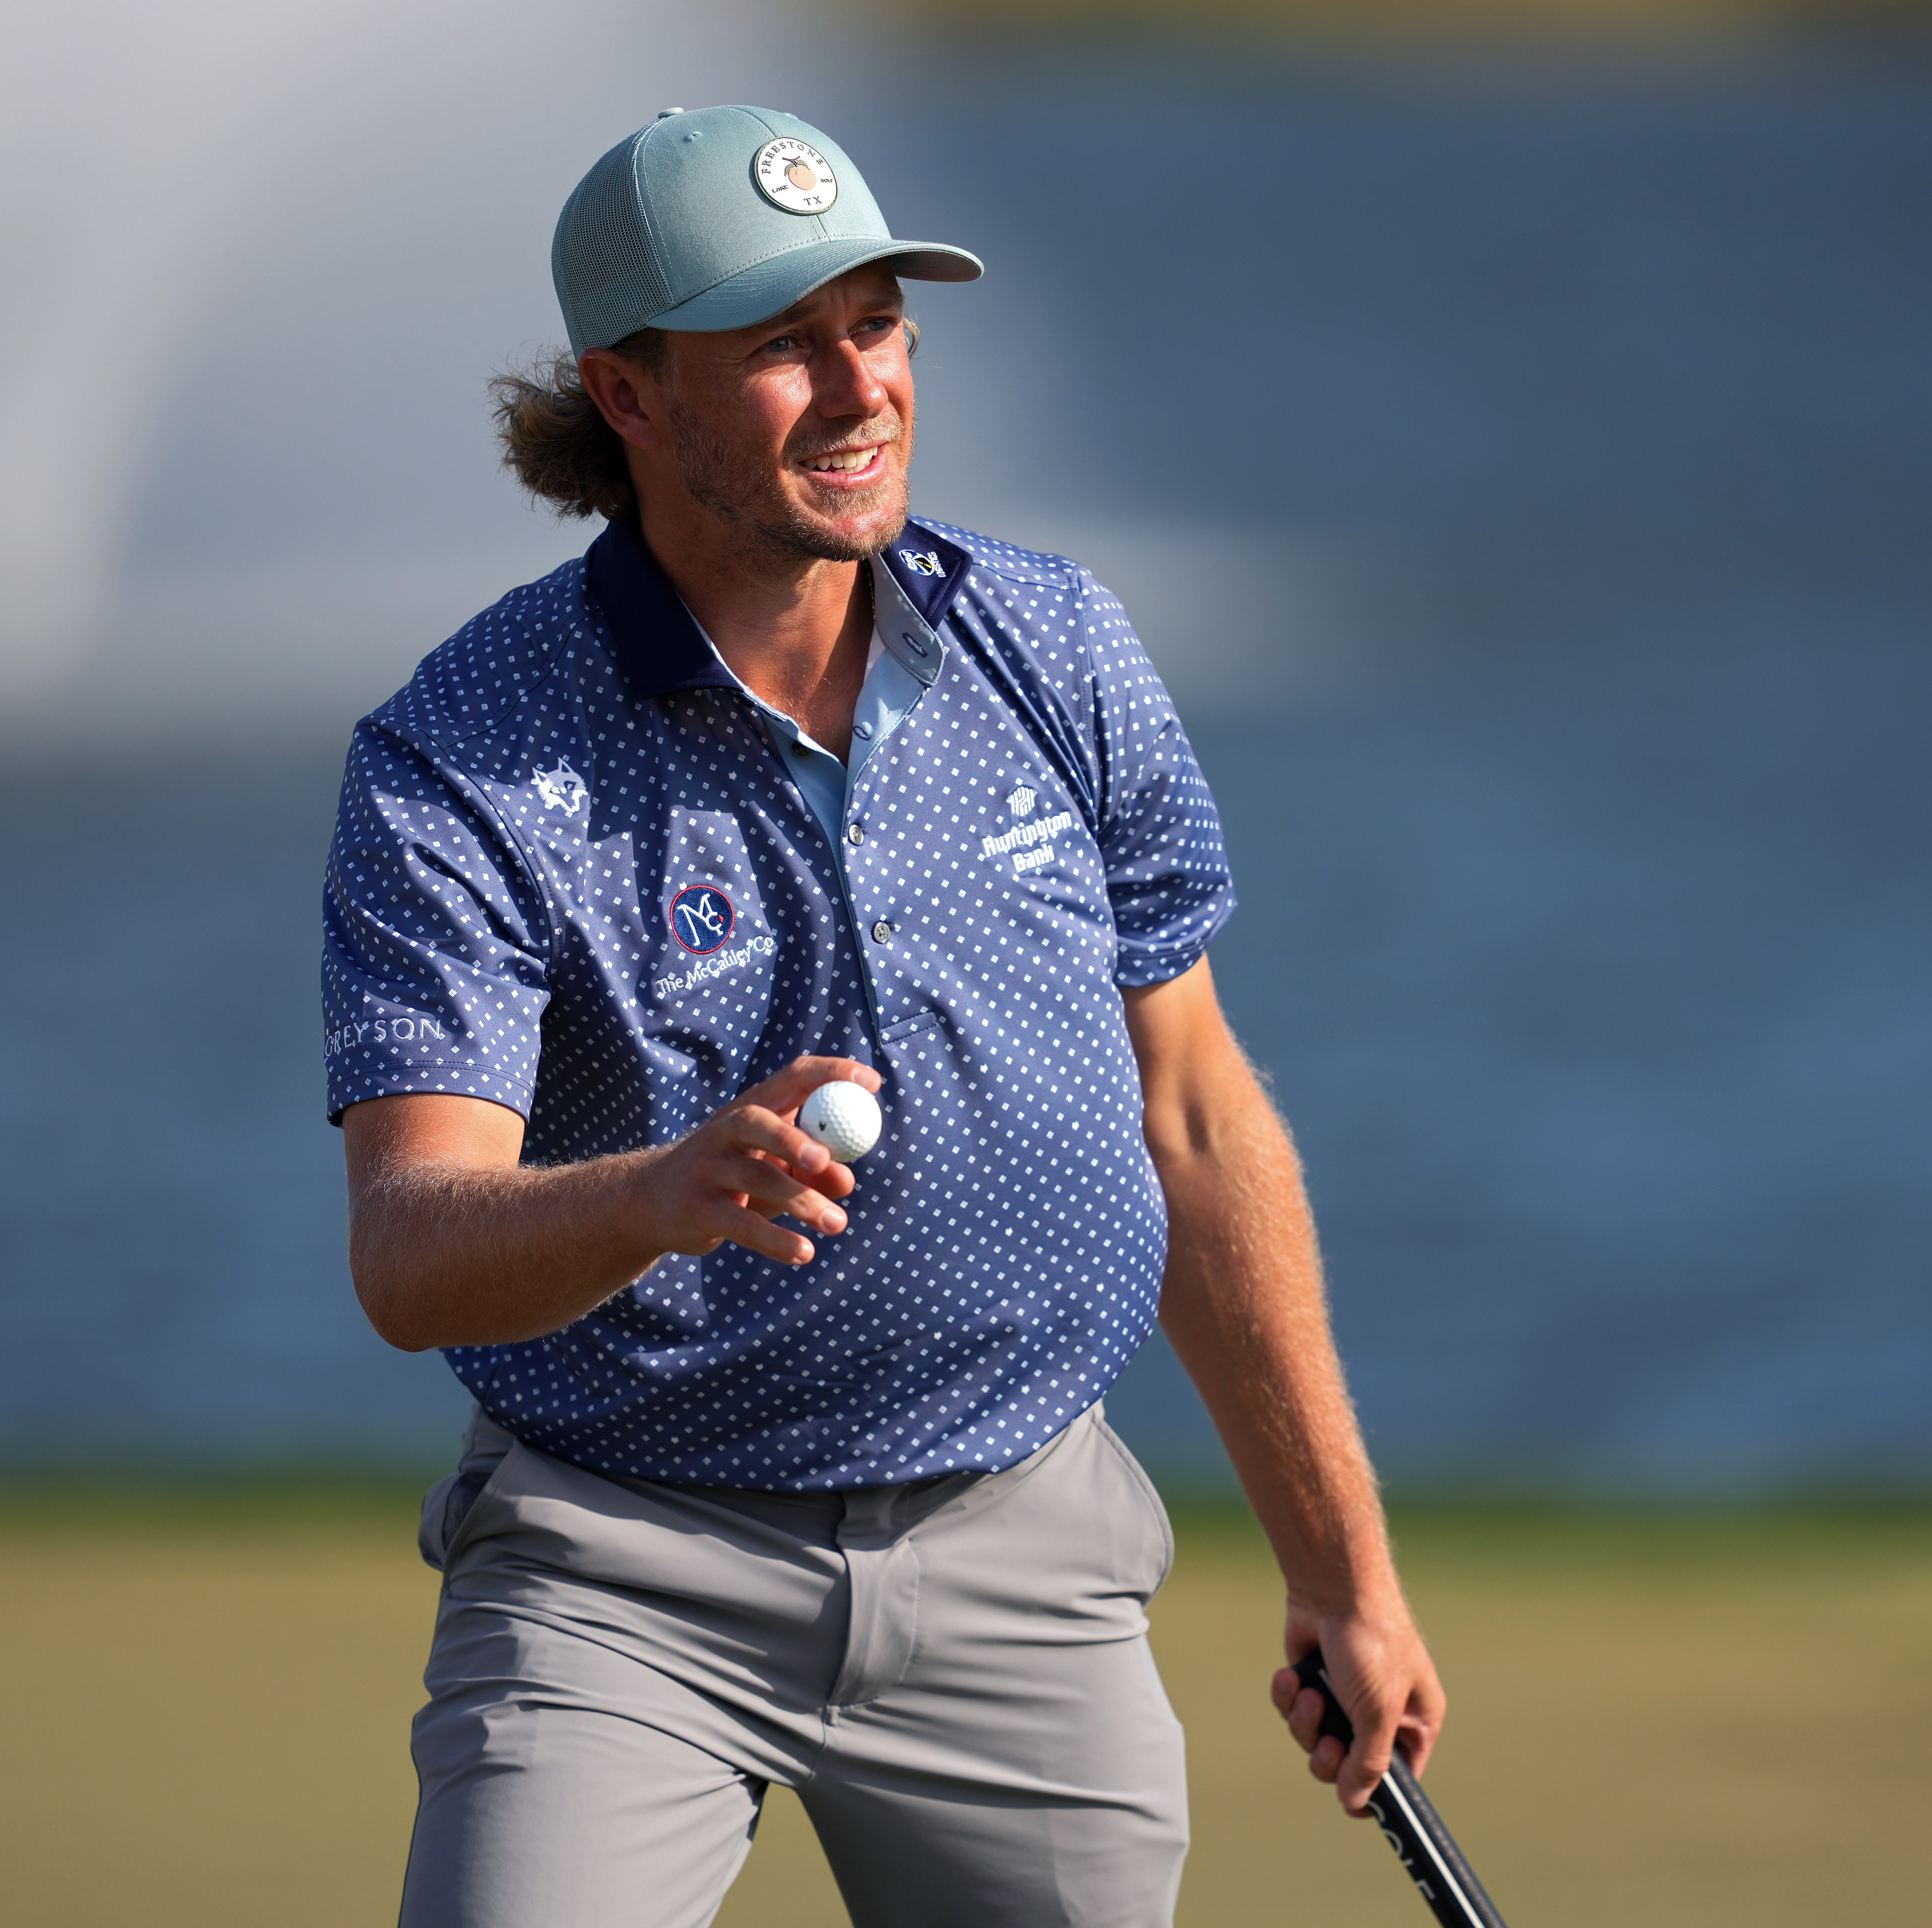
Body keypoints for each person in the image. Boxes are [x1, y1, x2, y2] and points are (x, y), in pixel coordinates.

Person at [322, 105, 1444, 1927]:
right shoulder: (461, 759)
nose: (857, 388)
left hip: (1023, 1551)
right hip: (625, 1566)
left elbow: (1196, 1118)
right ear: (626, 393)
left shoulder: (1055, 646)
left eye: (875, 321)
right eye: (777, 345)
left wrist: (1342, 1569)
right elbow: (407, 1249)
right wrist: (651, 1196)